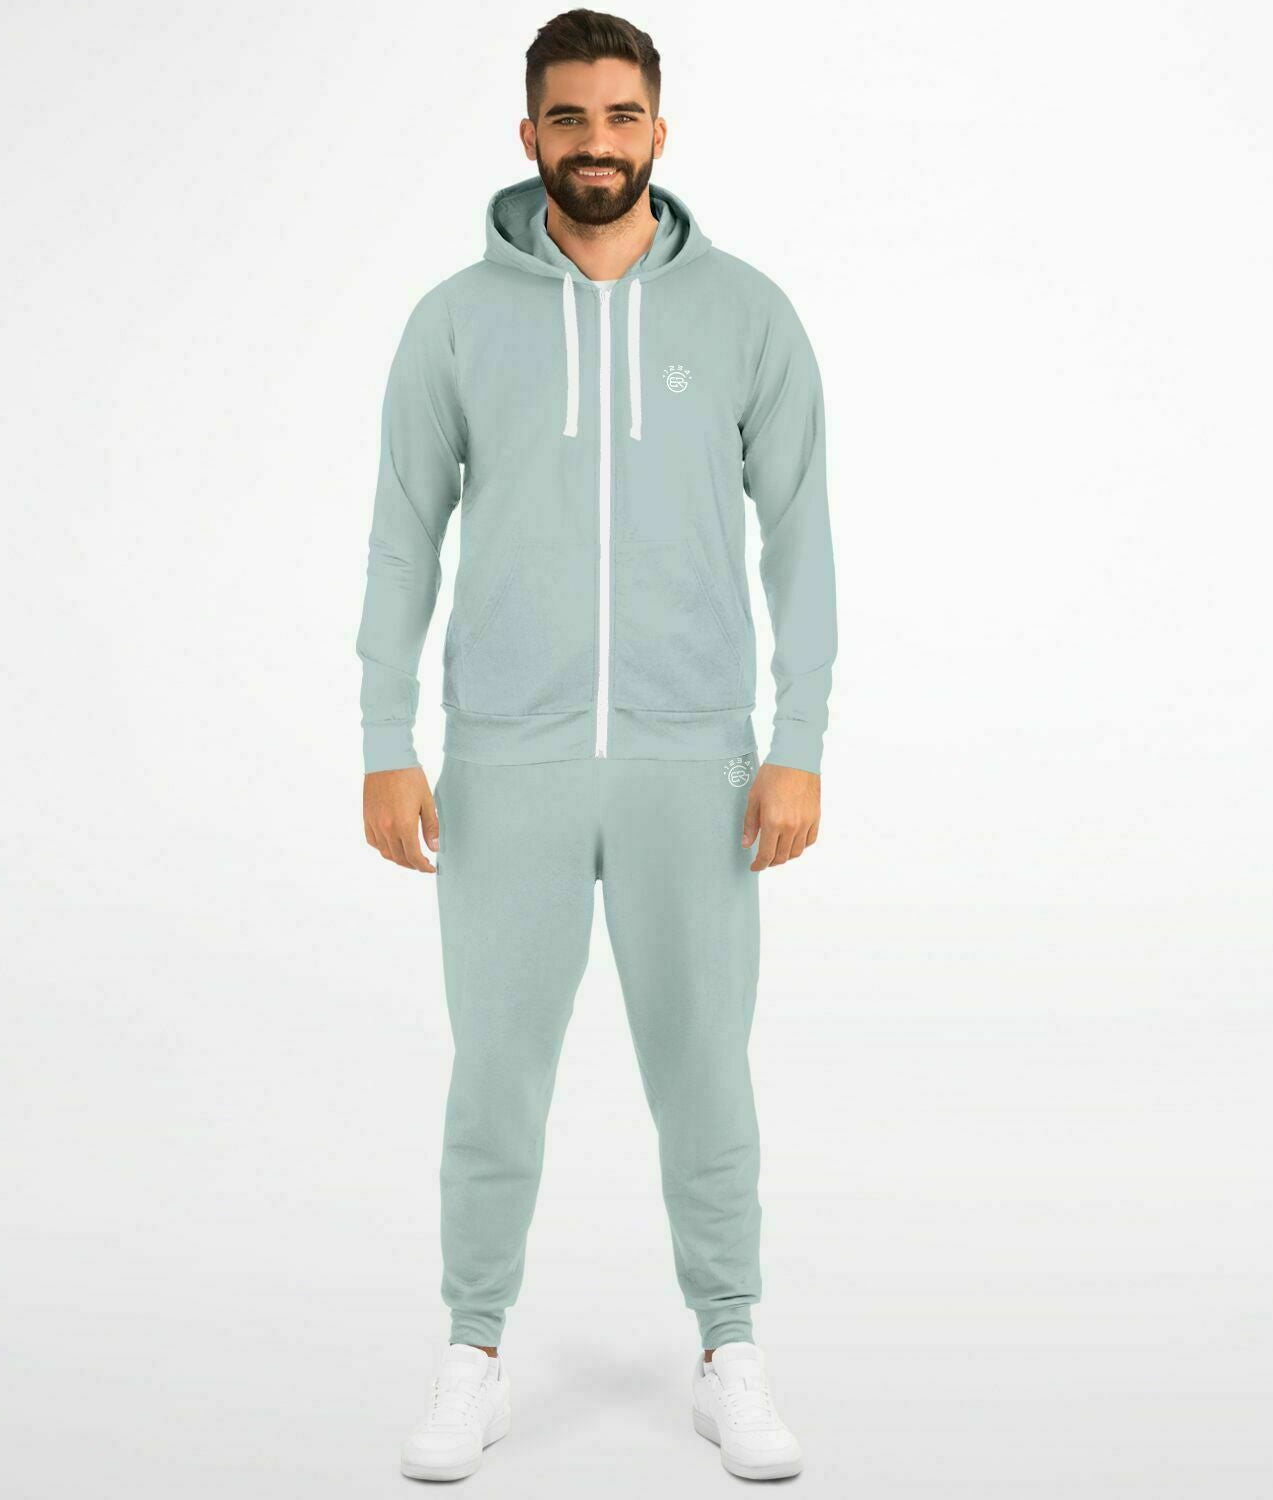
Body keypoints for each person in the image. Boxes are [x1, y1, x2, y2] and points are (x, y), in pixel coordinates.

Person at [356, 8, 836, 1482]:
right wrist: (384, 735)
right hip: (506, 755)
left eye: (621, 116)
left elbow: (800, 537)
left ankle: (730, 1350)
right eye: (568, 118)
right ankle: (473, 1355)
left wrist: (798, 737)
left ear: (658, 132)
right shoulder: (455, 321)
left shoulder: (747, 315)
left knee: (706, 1070)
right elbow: (402, 538)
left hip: (698, 758)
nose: (596, 143)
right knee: (496, 1073)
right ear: (530, 136)